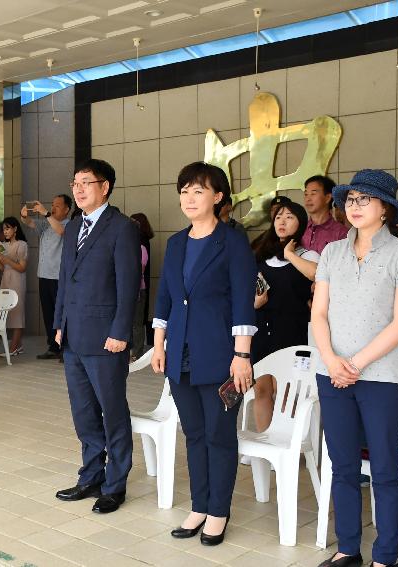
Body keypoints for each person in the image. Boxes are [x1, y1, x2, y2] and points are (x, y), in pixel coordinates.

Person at [311, 170, 398, 567]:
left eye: (365, 200)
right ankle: (347, 550)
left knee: (384, 469)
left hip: (381, 379)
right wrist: (330, 361)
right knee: (342, 466)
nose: (355, 207)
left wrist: (354, 364)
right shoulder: (331, 253)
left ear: (386, 209)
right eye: (351, 199)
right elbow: (319, 314)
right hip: (332, 375)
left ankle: (386, 557)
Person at [150, 162, 256, 545]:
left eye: (198, 191)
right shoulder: (176, 242)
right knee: (193, 434)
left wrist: (241, 355)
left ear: (218, 197)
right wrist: (159, 344)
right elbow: (165, 297)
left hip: (221, 356)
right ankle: (199, 505)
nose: (189, 198)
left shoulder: (232, 242)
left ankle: (218, 511)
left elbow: (244, 301)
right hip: (180, 354)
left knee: (219, 435)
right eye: (184, 191)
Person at [53, 158, 139, 515]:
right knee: (83, 412)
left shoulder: (122, 227)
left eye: (86, 182)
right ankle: (90, 474)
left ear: (105, 187)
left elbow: (128, 284)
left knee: (112, 411)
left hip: (106, 339)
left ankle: (115, 484)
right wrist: (59, 323)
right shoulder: (73, 227)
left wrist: (121, 332)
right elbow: (64, 278)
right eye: (75, 183)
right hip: (73, 335)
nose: (78, 188)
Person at [251, 201, 319, 432]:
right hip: (262, 329)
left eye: (289, 217)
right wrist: (256, 303)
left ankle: (286, 441)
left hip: (292, 329)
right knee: (261, 389)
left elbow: (316, 275)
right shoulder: (262, 255)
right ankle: (264, 438)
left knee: (287, 390)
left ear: (301, 223)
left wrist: (290, 253)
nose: (282, 221)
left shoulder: (308, 255)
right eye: (279, 216)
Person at [20, 195, 71, 360]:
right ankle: (53, 346)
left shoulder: (69, 224)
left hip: (58, 277)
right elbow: (30, 223)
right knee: (48, 313)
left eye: (57, 205)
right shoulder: (46, 224)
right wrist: (24, 216)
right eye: (52, 205)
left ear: (66, 209)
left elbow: (61, 231)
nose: (53, 208)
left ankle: (65, 347)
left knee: (61, 313)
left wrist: (46, 214)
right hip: (44, 275)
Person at [0, 217, 28, 355]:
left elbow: (22, 268)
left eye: (8, 228)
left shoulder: (21, 245)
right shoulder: (4, 245)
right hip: (6, 279)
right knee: (8, 313)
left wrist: (5, 259)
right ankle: (19, 345)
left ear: (15, 229)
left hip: (17, 280)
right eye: (3, 229)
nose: (5, 232)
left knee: (17, 313)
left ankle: (13, 348)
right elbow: (4, 268)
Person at [302, 175, 348, 255]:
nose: (308, 199)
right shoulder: (300, 229)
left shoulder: (341, 233)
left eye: (313, 194)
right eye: (306, 194)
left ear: (327, 198)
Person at [129, 213, 155, 360]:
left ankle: (137, 353)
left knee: (136, 323)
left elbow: (138, 269)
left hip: (138, 289)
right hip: (131, 289)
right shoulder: (133, 244)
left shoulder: (141, 246)